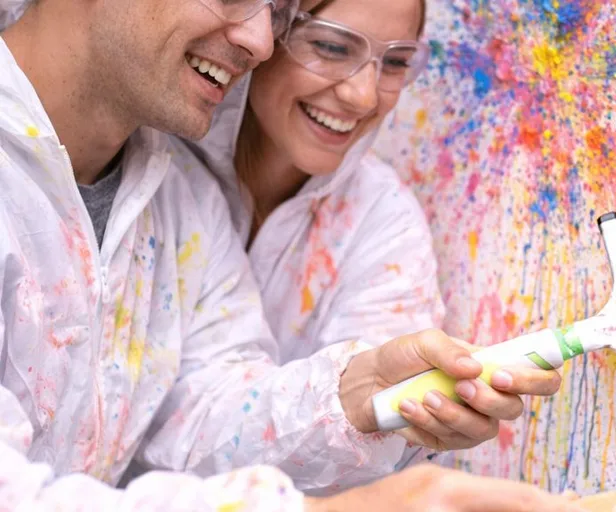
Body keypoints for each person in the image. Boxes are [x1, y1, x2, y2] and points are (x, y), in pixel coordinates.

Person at [0, 0, 573, 510]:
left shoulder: (175, 192)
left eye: (275, 9)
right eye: (327, 44)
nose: (261, 41)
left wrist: (357, 394)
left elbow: (198, 412)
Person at [183, 0, 502, 489]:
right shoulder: (156, 172)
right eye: (332, 47)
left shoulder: (384, 221)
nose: (363, 94)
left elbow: (371, 459)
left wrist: (401, 408)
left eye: (395, 62)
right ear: (260, 34)